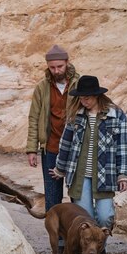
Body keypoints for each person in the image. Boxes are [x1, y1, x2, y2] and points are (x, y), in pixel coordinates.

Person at [50, 75, 127, 254]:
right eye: (81, 97)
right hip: (79, 175)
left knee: (105, 215)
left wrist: (124, 174)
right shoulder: (76, 115)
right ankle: (89, 252)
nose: (83, 101)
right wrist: (60, 169)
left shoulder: (116, 115)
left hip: (106, 175)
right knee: (84, 218)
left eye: (87, 97)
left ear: (97, 96)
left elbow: (125, 146)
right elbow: (66, 143)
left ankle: (100, 245)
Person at [26, 44, 80, 212]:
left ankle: (78, 235)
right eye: (52, 68)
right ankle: (56, 237)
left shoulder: (79, 84)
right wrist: (31, 150)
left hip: (75, 149)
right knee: (52, 197)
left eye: (60, 67)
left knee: (77, 196)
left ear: (67, 63)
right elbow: (34, 117)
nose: (56, 71)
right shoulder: (42, 88)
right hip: (50, 148)